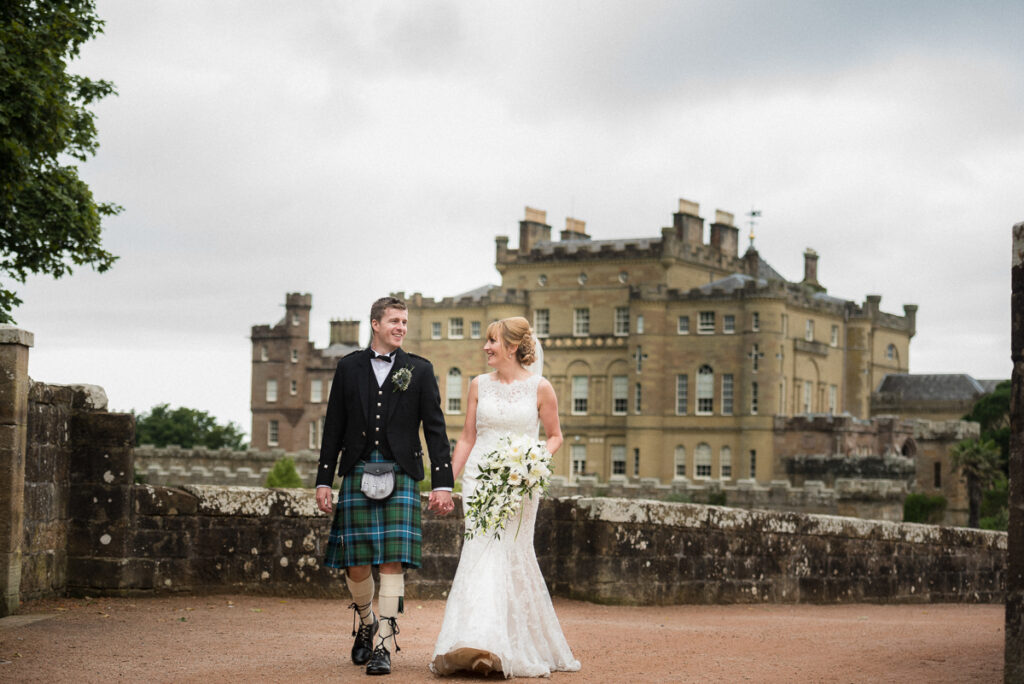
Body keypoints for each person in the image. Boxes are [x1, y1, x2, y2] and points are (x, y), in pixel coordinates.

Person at [430, 317, 581, 678]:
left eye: (493, 341)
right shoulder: (477, 385)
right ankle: (475, 643)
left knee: (511, 554)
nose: (486, 347)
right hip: (480, 480)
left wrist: (533, 461)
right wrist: (446, 482)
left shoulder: (541, 388)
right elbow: (467, 438)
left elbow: (555, 435)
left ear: (512, 347)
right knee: (479, 554)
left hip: (520, 483)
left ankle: (505, 645)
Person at [315, 296, 454, 677]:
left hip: (402, 471)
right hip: (358, 469)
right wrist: (324, 479)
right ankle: (366, 621)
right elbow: (334, 426)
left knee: (393, 563)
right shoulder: (349, 368)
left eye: (404, 322)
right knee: (355, 564)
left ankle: (384, 643)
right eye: (394, 321)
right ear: (375, 324)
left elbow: (436, 428)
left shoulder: (419, 370)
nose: (401, 327)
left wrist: (442, 482)